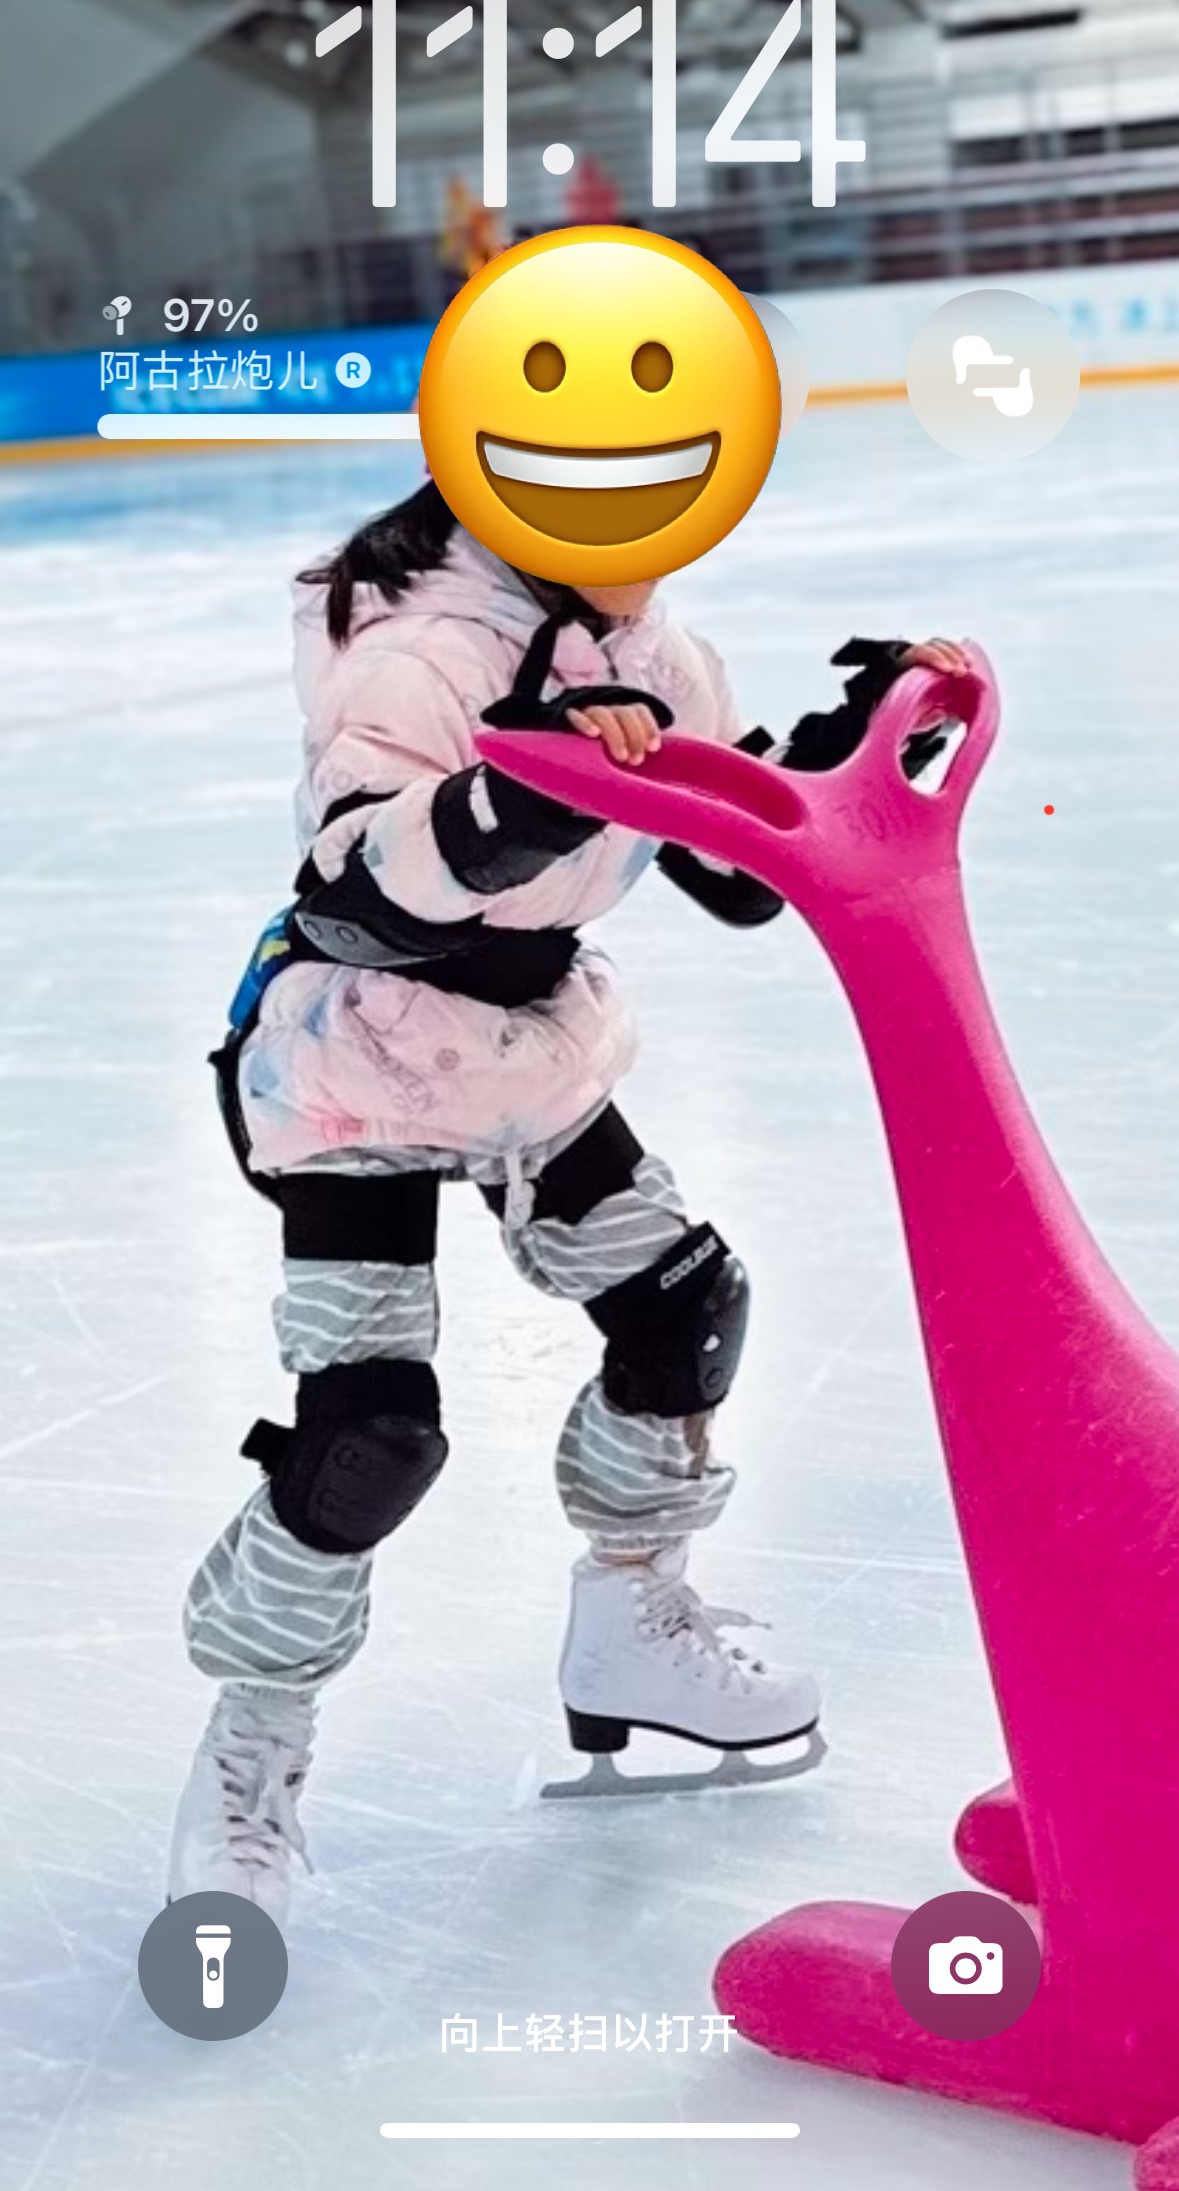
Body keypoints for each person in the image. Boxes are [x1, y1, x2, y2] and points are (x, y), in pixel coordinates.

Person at [169, 480, 968, 1919]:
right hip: (358, 1061)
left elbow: (734, 866)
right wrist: (513, 800)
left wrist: (867, 742)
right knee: (368, 1438)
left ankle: (629, 1629)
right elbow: (350, 890)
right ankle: (249, 1757)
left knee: (683, 1312)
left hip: (524, 1054)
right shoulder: (423, 647)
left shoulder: (663, 657)